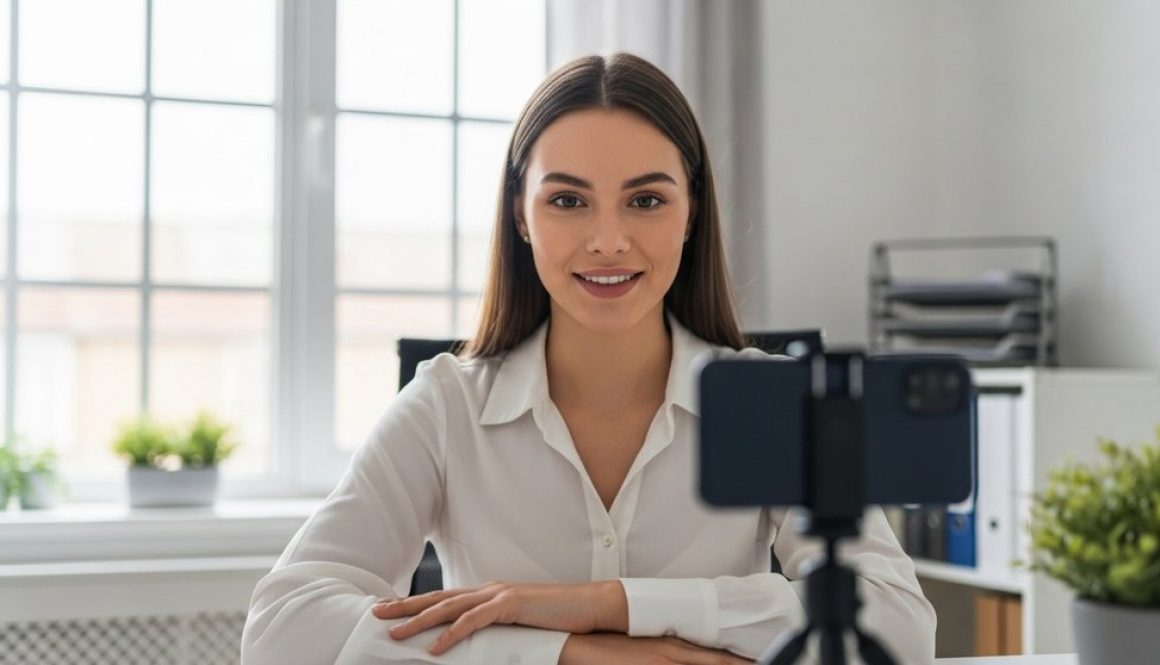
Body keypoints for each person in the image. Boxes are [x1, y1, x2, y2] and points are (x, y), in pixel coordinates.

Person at [241, 53, 935, 665]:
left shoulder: (774, 403)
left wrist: (609, 604)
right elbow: (281, 631)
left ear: (691, 213)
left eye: (646, 199)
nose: (608, 240)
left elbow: (900, 628)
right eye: (568, 200)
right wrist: (564, 652)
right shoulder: (447, 406)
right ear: (521, 214)